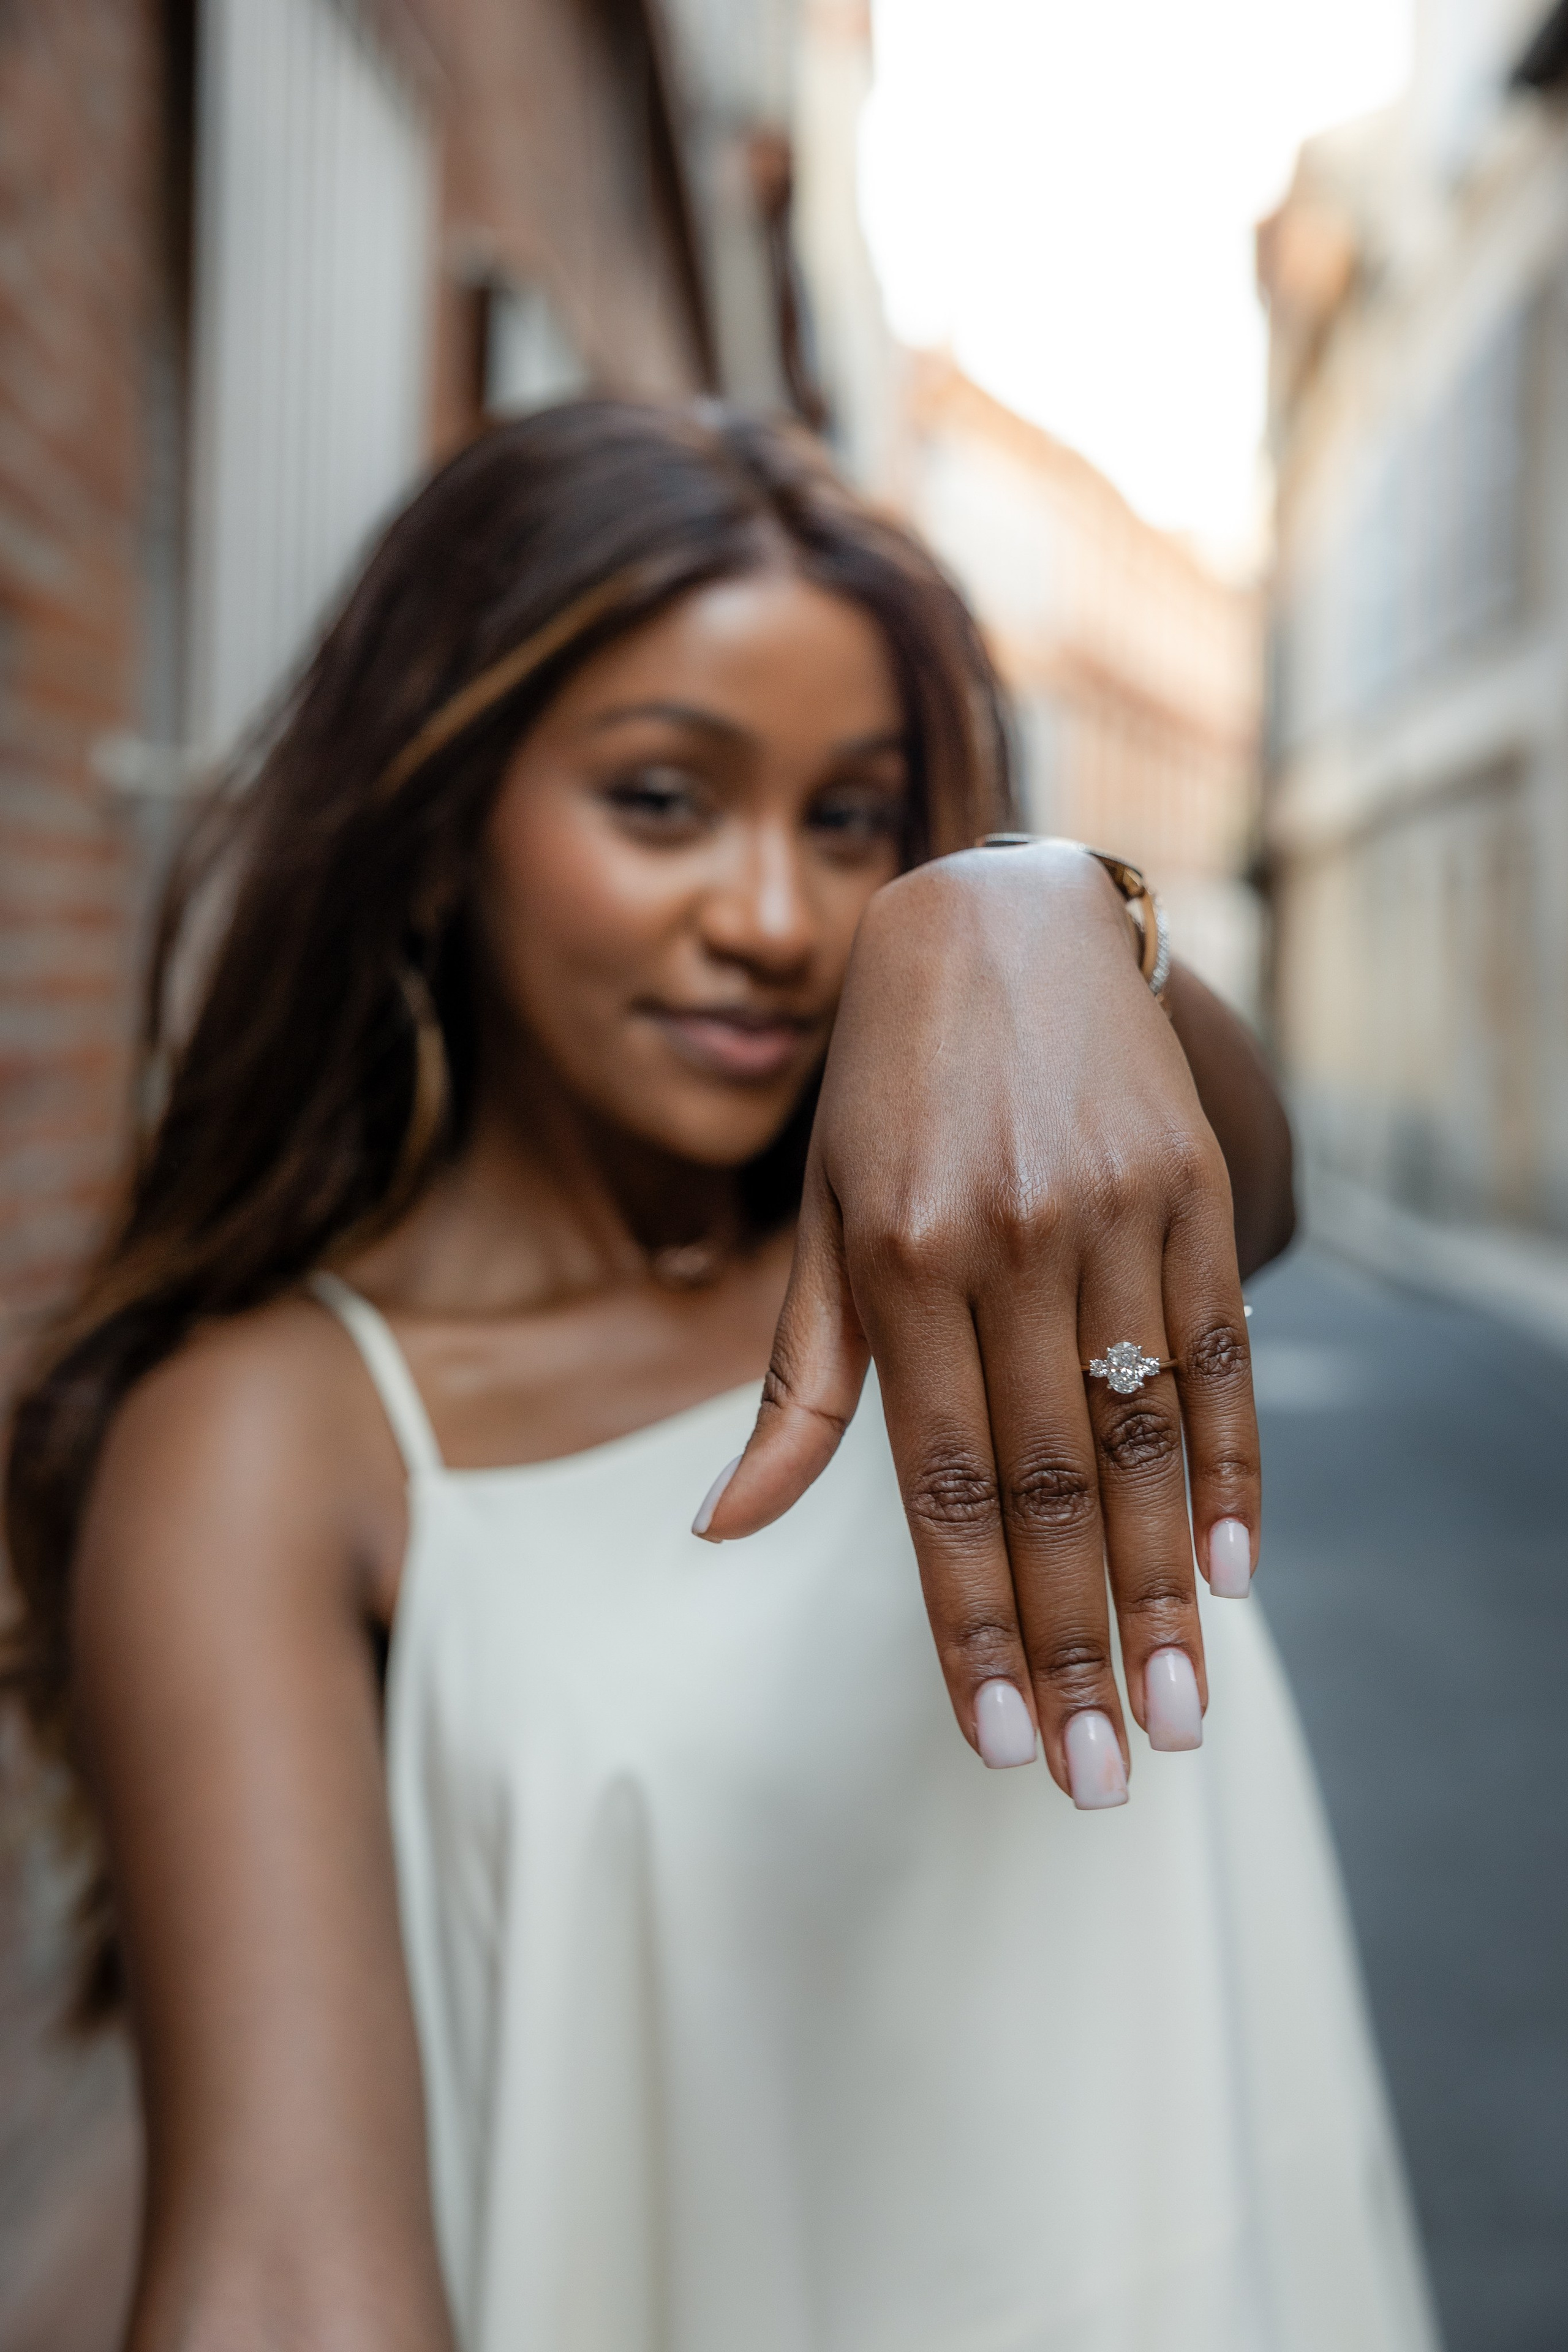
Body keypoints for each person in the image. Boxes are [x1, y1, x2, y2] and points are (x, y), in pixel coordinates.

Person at [3, 402, 1436, 2352]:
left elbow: (1250, 1179)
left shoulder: (988, 1240)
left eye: (852, 820)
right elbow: (281, 2274)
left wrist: (1049, 907)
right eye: (662, 801)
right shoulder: (279, 1434)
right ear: (442, 825)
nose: (774, 920)